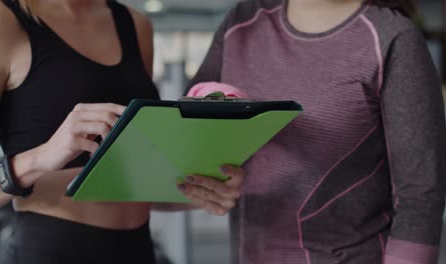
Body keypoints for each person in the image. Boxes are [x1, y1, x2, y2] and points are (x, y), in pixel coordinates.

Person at [0, 0, 243, 263]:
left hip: (138, 248)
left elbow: (130, 184)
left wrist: (199, 192)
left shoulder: (135, 25)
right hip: (53, 249)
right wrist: (42, 157)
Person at [188, 0, 446, 263]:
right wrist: (207, 188)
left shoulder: (390, 37)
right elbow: (179, 149)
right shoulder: (240, 24)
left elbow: (420, 198)